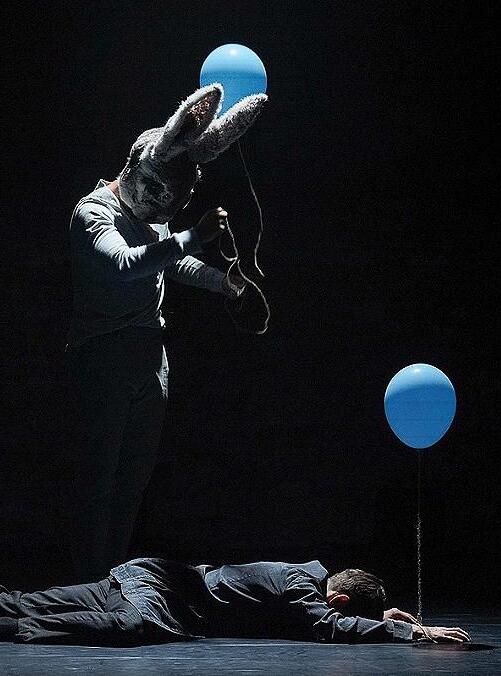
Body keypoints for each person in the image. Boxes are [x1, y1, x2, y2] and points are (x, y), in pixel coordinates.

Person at [65, 84, 267, 581]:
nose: (162, 215)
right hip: (102, 356)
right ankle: (83, 582)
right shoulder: (93, 213)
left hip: (150, 360)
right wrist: (193, 236)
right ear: (138, 173)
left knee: (131, 482)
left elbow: (171, 262)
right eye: (160, 201)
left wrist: (224, 283)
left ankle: (109, 582)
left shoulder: (148, 216)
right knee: (97, 481)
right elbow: (126, 264)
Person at [0, 558, 470, 645]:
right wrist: (413, 632)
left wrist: (381, 612)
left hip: (140, 575)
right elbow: (332, 625)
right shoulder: (299, 587)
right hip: (158, 596)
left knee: (22, 600)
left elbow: (336, 612)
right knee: (132, 628)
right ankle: (13, 630)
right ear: (340, 597)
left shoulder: (302, 575)